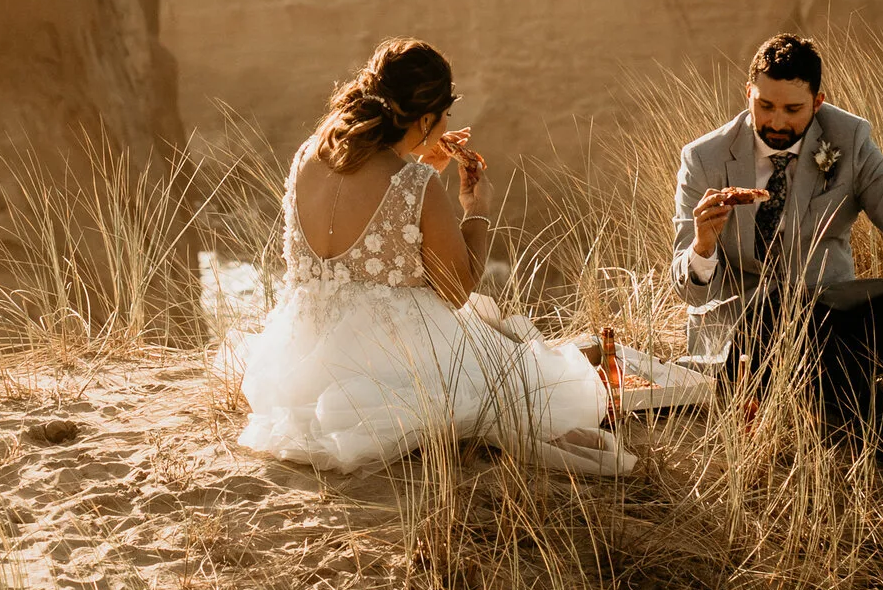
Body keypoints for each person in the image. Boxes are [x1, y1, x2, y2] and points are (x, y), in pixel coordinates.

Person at [235, 38, 627, 477]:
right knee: (533, 380)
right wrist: (475, 211)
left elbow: (373, 235)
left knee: (500, 332)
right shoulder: (414, 183)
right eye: (444, 118)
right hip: (391, 360)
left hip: (300, 360)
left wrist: (421, 166)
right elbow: (458, 288)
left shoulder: (310, 153)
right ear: (424, 118)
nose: (444, 128)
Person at [672, 35, 883, 466]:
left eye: (793, 109)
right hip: (751, 337)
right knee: (810, 346)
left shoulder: (849, 139)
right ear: (747, 94)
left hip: (834, 319)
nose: (777, 122)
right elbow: (689, 292)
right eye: (765, 105)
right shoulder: (704, 158)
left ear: (818, 102)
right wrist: (703, 244)